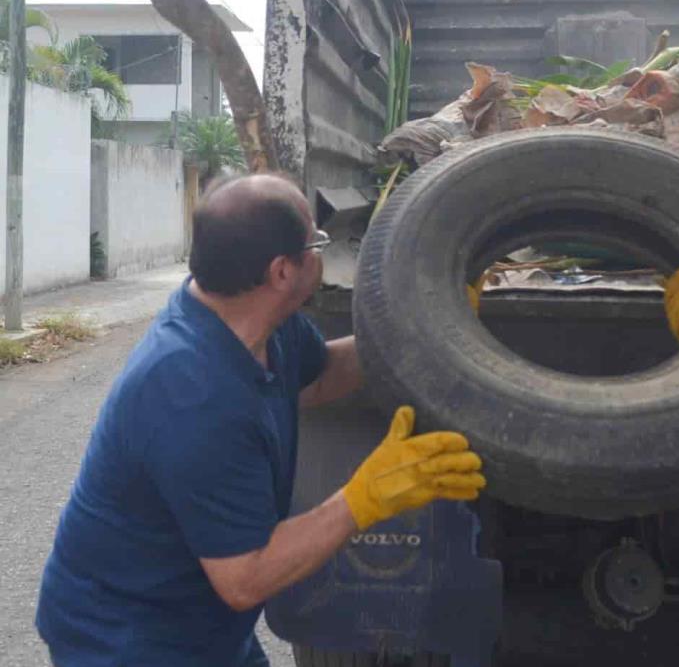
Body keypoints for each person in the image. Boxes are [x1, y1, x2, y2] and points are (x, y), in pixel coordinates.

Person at [36, 174, 486, 666]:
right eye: (314, 243)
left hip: (201, 624)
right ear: (281, 272)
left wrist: (423, 330)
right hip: (127, 641)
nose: (321, 253)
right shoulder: (191, 395)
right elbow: (245, 577)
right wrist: (366, 496)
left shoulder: (252, 322)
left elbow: (317, 379)